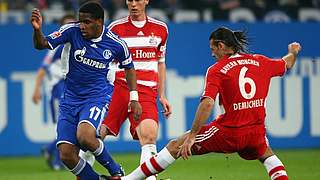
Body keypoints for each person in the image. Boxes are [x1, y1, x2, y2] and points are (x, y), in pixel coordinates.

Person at [116, 27, 301, 180]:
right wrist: (293, 51)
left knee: (175, 145)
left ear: (221, 46)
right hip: (256, 132)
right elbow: (286, 63)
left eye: (213, 49)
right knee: (269, 158)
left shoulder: (217, 69)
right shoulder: (261, 61)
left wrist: (193, 135)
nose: (212, 54)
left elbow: (207, 104)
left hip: (230, 132)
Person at [30, 1, 142, 179]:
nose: (81, 26)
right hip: (70, 99)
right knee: (66, 154)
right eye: (80, 21)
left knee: (85, 136)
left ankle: (115, 170)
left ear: (99, 22)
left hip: (96, 96)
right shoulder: (71, 31)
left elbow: (129, 68)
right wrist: (37, 31)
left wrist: (134, 98)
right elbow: (41, 44)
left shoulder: (115, 44)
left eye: (87, 22)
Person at [97, 1, 172, 180]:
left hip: (146, 90)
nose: (133, 4)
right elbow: (106, 63)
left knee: (149, 136)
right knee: (95, 134)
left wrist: (162, 95)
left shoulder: (161, 29)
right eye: (129, 0)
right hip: (119, 87)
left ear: (146, 1)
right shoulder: (115, 28)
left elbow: (160, 63)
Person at [32, 14, 76, 171]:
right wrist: (37, 89)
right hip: (58, 90)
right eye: (66, 25)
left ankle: (50, 149)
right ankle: (58, 161)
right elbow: (42, 70)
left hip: (69, 90)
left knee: (71, 127)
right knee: (65, 127)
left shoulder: (75, 44)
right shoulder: (58, 47)